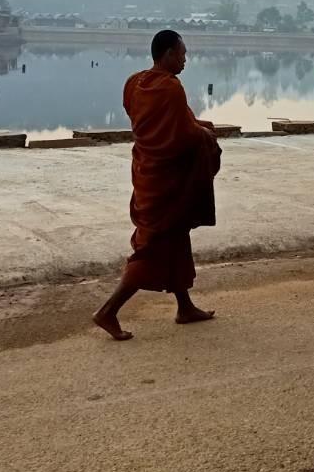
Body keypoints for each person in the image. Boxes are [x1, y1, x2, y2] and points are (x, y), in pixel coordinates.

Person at [93, 30, 222, 341]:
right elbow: (181, 136)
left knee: (175, 240)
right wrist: (206, 134)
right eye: (181, 54)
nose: (185, 60)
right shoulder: (170, 88)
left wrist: (196, 127)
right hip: (167, 179)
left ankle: (185, 307)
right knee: (153, 248)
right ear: (167, 55)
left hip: (148, 168)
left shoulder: (133, 82)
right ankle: (108, 311)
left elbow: (154, 124)